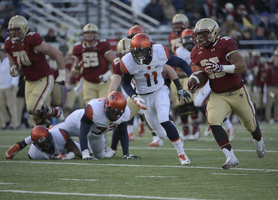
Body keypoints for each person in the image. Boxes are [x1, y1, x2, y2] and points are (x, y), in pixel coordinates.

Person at [188, 18, 265, 169]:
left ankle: (258, 139)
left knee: (250, 124)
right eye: (198, 35)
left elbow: (242, 67)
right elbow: (201, 73)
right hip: (218, 94)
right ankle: (230, 156)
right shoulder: (196, 52)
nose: (200, 38)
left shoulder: (225, 44)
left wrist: (221, 67)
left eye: (204, 34)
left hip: (237, 91)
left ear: (214, 33)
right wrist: (195, 81)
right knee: (213, 120)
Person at [121, 33, 192, 165]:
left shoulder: (160, 52)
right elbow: (125, 83)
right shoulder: (127, 61)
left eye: (144, 52)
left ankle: (182, 154)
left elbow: (180, 62)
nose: (141, 56)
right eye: (138, 53)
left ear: (151, 49)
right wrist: (134, 97)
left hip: (160, 90)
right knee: (161, 135)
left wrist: (192, 76)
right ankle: (174, 131)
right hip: (143, 96)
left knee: (164, 119)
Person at [4, 15, 65, 127]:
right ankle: (49, 131)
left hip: (44, 78)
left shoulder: (32, 40)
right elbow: (14, 69)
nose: (13, 33)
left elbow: (58, 54)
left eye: (16, 29)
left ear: (24, 29)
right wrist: (14, 71)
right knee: (34, 115)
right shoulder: (8, 44)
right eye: (11, 30)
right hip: (29, 81)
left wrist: (61, 75)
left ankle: (55, 112)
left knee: (33, 107)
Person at [176, 29, 236, 141]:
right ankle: (220, 123)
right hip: (199, 78)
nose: (188, 42)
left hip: (209, 77)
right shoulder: (185, 51)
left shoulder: (201, 48)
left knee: (198, 102)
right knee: (200, 103)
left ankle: (222, 124)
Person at [52, 91, 140, 160]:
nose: (113, 115)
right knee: (52, 134)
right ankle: (55, 125)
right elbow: (83, 132)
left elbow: (123, 132)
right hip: (75, 123)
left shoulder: (125, 114)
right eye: (112, 111)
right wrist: (85, 153)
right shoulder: (94, 109)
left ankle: (69, 147)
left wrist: (126, 154)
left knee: (100, 156)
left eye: (117, 113)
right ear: (106, 105)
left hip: (96, 134)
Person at [71, 23, 116, 104]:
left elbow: (115, 63)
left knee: (105, 105)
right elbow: (74, 71)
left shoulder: (103, 45)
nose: (89, 35)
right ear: (83, 34)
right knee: (90, 107)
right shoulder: (78, 48)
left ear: (96, 34)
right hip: (88, 82)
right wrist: (76, 68)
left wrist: (107, 75)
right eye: (87, 33)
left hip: (103, 83)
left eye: (92, 33)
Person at [5, 125, 81, 160]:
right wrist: (10, 152)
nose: (47, 145)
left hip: (62, 146)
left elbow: (76, 150)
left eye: (47, 141)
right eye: (43, 144)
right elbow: (9, 154)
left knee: (87, 152)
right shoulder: (35, 154)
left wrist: (68, 157)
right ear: (36, 145)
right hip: (38, 140)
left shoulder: (59, 135)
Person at [0, 44, 19, 129]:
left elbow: (16, 72)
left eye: (1, 52)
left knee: (12, 105)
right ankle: (6, 121)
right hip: (1, 87)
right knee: (1, 105)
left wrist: (14, 83)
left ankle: (14, 123)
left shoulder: (9, 60)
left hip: (9, 86)